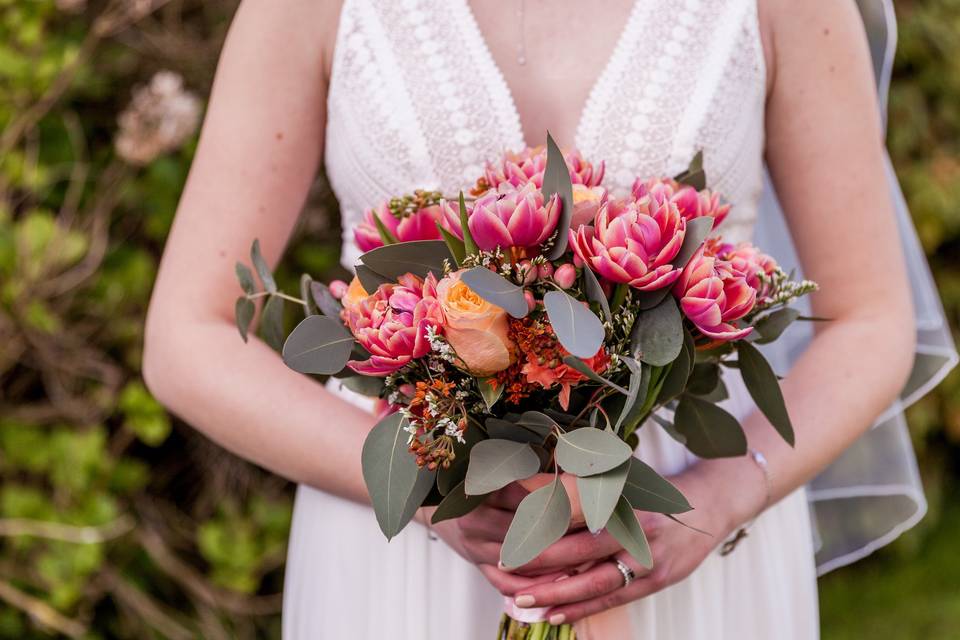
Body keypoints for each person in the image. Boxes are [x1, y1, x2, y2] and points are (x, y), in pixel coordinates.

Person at [143, 1, 919, 637]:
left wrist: (720, 499)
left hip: (684, 528)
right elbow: (189, 337)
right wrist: (423, 490)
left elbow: (871, 317)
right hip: (409, 546)